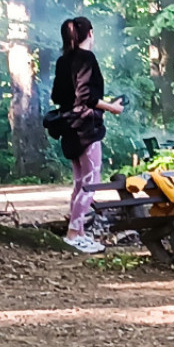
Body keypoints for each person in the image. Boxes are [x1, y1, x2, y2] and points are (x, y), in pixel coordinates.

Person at [50, 17, 123, 254]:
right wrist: (112, 107)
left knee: (80, 182)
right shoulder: (87, 59)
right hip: (86, 129)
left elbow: (57, 95)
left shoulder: (63, 61)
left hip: (68, 126)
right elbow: (86, 97)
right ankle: (73, 233)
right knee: (91, 182)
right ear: (90, 33)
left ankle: (79, 232)